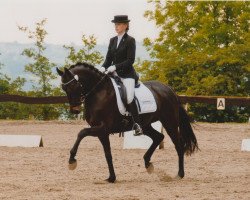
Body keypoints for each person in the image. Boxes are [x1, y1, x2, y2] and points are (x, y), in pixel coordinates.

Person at [99, 15, 143, 136]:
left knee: (129, 97)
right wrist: (103, 67)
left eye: (118, 24)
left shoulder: (130, 40)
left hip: (127, 74)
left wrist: (116, 66)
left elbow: (130, 60)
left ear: (125, 26)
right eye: (115, 24)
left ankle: (137, 124)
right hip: (113, 74)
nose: (116, 26)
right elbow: (108, 59)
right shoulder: (112, 40)